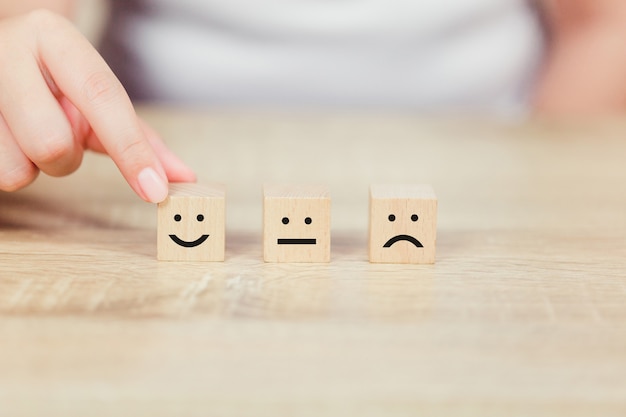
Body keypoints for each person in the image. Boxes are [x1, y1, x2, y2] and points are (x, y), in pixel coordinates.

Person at [1, 1, 625, 202]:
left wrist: (551, 200)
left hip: (492, 181)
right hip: (155, 189)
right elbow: (28, 17)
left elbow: (602, 27)